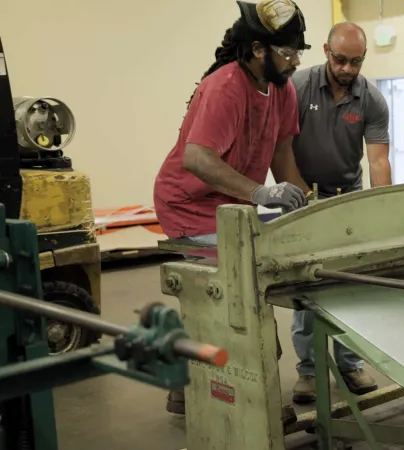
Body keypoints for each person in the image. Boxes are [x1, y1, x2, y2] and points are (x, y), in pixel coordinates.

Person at [152, 0, 312, 415]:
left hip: (233, 202)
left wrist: (306, 203)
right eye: (288, 51)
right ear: (259, 50)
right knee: (237, 288)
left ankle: (184, 384)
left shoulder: (283, 90)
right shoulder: (225, 86)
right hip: (189, 202)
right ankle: (253, 393)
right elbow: (197, 159)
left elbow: (283, 155)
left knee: (244, 280)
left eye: (299, 51)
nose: (295, 60)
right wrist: (261, 193)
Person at [288, 22, 392, 404]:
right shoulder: (296, 87)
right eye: (341, 60)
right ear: (325, 51)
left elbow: (379, 162)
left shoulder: (371, 100)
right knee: (306, 287)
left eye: (356, 62)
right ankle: (310, 370)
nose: (348, 69)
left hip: (347, 195)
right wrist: (298, 196)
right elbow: (279, 149)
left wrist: (382, 212)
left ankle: (349, 363)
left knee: (349, 283)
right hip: (301, 197)